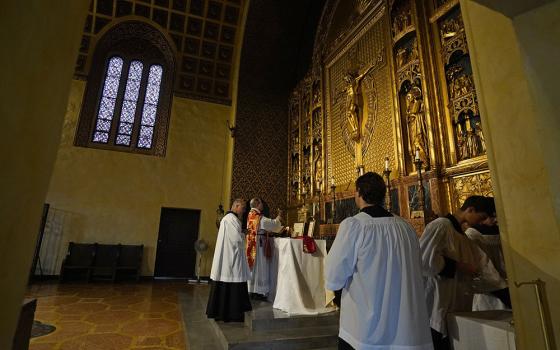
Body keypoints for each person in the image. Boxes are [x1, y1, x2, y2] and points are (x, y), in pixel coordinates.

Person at [325, 172, 433, 350]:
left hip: (365, 329)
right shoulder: (406, 227)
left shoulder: (355, 226)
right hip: (407, 327)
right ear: (383, 195)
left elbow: (334, 275)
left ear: (358, 193)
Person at [419, 195, 496, 349]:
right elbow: (424, 260)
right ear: (470, 210)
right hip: (437, 302)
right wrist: (459, 266)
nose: (482, 222)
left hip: (454, 303)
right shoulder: (441, 225)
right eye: (481, 217)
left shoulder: (461, 234)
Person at [206, 198, 252, 322]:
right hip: (231, 258)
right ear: (236, 206)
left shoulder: (229, 219)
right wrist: (243, 235)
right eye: (242, 208)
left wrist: (241, 232)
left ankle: (224, 312)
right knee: (233, 278)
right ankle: (232, 313)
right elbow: (236, 240)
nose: (243, 211)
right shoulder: (231, 219)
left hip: (229, 255)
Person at [465, 205, 511, 310]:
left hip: (508, 286)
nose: (496, 220)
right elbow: (483, 268)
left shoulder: (504, 232)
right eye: (492, 216)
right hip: (488, 293)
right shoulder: (472, 235)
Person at [246, 197, 283, 300]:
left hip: (251, 243)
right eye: (261, 203)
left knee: (253, 268)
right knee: (261, 267)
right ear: (258, 204)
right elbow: (273, 224)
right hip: (259, 244)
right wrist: (279, 216)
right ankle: (260, 292)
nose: (262, 205)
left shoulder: (250, 215)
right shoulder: (259, 217)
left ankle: (251, 290)